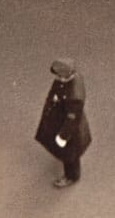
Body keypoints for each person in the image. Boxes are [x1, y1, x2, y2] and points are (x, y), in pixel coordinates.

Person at [35, 58, 91, 187]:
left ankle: (72, 176)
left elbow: (72, 119)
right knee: (68, 152)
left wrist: (63, 136)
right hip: (59, 119)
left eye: (60, 75)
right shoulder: (67, 80)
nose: (58, 78)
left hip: (69, 129)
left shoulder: (74, 96)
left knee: (70, 154)